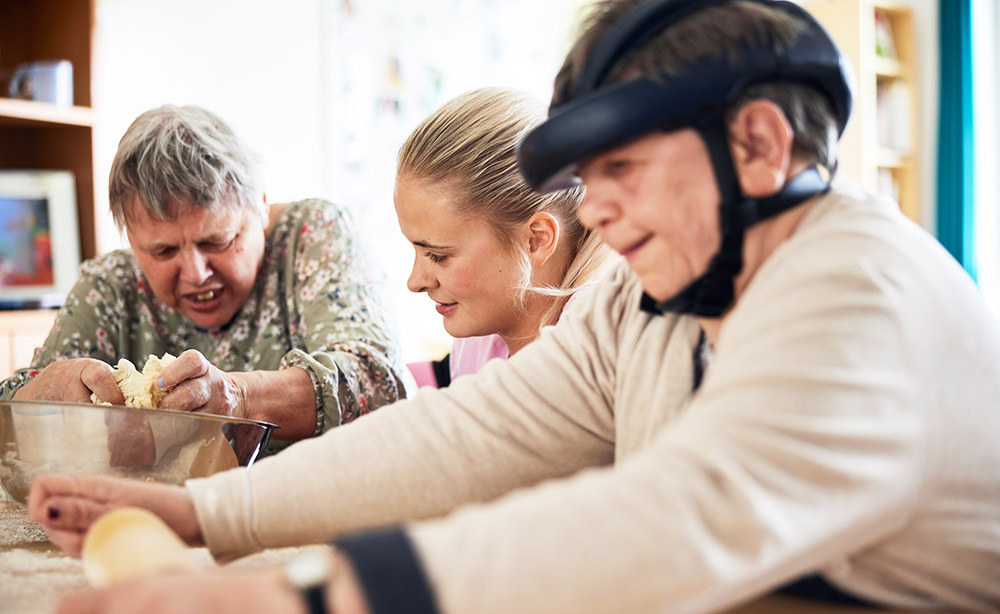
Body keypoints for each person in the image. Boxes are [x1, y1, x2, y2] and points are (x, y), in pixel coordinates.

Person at [28, 1, 1000, 613]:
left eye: (622, 167)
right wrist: (194, 509)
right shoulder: (648, 295)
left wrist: (300, 594)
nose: (596, 205)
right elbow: (467, 434)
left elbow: (675, 520)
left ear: (756, 146)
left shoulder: (855, 288)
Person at [1, 105, 409, 452]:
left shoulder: (314, 233)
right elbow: (11, 412)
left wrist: (242, 397)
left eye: (217, 240)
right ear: (131, 238)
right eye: (162, 251)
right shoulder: (111, 285)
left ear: (261, 208)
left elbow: (378, 381)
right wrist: (40, 395)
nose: (196, 273)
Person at [396, 87, 613, 388]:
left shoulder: (597, 340)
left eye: (438, 255)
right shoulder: (480, 338)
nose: (415, 281)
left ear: (536, 240)